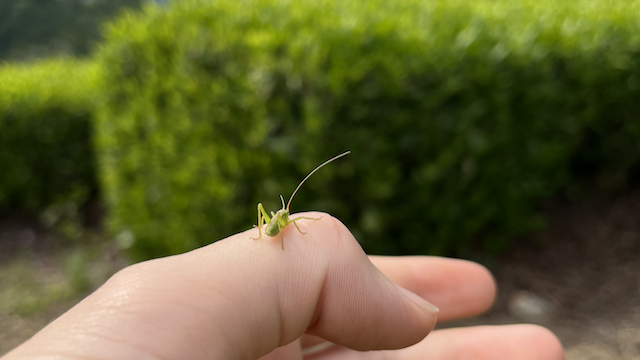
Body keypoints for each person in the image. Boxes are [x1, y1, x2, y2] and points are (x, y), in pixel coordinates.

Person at [2, 213, 563, 360]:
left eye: (285, 215)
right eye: (280, 215)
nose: (284, 217)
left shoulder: (294, 224)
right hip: (263, 247)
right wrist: (266, 234)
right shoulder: (276, 227)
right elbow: (273, 229)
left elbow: (291, 225)